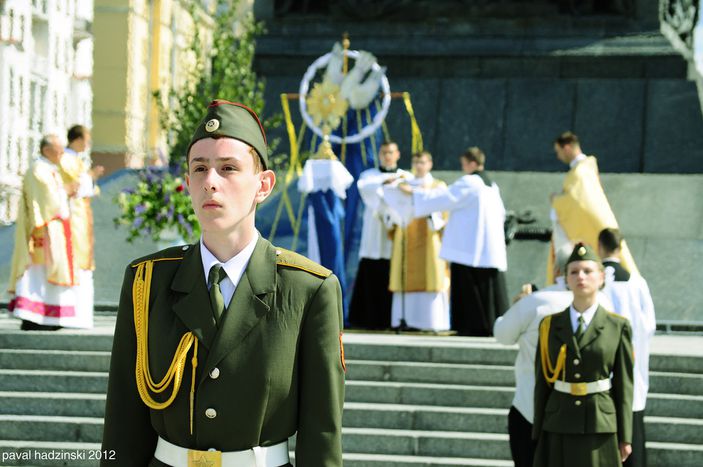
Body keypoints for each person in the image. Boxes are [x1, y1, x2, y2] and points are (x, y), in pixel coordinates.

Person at [101, 100, 345, 466]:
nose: (210, 182)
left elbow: (322, 432)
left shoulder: (308, 289)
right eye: (200, 169)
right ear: (187, 183)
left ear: (263, 185)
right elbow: (123, 418)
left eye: (228, 168)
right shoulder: (148, 281)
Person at [494, 245, 613, 467]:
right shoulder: (605, 305)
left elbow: (502, 334)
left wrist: (518, 306)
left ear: (557, 270)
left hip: (531, 409)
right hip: (585, 414)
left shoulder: (536, 302)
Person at [533, 242, 634, 467]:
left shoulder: (617, 326)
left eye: (588, 271)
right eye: (574, 272)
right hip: (558, 422)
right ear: (566, 279)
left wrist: (625, 435)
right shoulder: (549, 325)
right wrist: (537, 429)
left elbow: (624, 385)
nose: (581, 277)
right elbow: (542, 382)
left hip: (600, 422)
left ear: (601, 277)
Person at [403, 147, 508, 336]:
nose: (463, 168)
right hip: (487, 247)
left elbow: (445, 198)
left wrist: (414, 193)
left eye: (464, 164)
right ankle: (489, 325)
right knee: (488, 290)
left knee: (469, 288)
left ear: (472, 163)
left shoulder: (470, 182)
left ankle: (471, 326)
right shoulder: (491, 184)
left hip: (468, 248)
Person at [8, 134, 90, 330]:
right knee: (38, 275)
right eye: (59, 149)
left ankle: (48, 317)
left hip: (54, 233)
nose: (62, 153)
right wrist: (66, 191)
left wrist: (68, 190)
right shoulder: (38, 170)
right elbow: (46, 202)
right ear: (46, 150)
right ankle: (33, 317)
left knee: (49, 273)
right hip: (41, 233)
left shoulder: (49, 169)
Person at [548, 131, 638, 284]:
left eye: (558, 151)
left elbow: (578, 201)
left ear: (567, 148)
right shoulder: (584, 169)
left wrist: (557, 201)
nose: (558, 156)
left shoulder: (580, 172)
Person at [598, 228, 656, 467]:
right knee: (631, 425)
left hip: (602, 369)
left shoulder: (595, 279)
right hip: (632, 359)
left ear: (599, 247)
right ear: (621, 248)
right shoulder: (636, 282)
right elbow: (649, 324)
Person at [348, 140, 412, 329]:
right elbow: (365, 188)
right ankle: (366, 319)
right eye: (384, 152)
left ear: (398, 154)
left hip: (397, 229)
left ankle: (392, 319)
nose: (387, 156)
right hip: (375, 231)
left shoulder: (405, 176)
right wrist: (385, 181)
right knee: (372, 268)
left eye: (391, 152)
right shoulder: (370, 175)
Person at [385, 151, 449, 331]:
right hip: (406, 236)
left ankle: (432, 322)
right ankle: (404, 319)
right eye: (415, 162)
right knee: (404, 274)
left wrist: (414, 194)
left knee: (431, 274)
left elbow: (443, 213)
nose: (418, 166)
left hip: (429, 238)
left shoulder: (438, 186)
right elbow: (391, 210)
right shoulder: (402, 185)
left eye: (422, 162)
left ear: (430, 164)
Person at [60, 124, 104, 329]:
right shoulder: (66, 159)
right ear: (76, 139)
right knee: (75, 261)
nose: (88, 143)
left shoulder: (75, 159)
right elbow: (75, 187)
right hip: (73, 217)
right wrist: (91, 177)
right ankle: (73, 314)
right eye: (86, 139)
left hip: (81, 216)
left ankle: (80, 314)